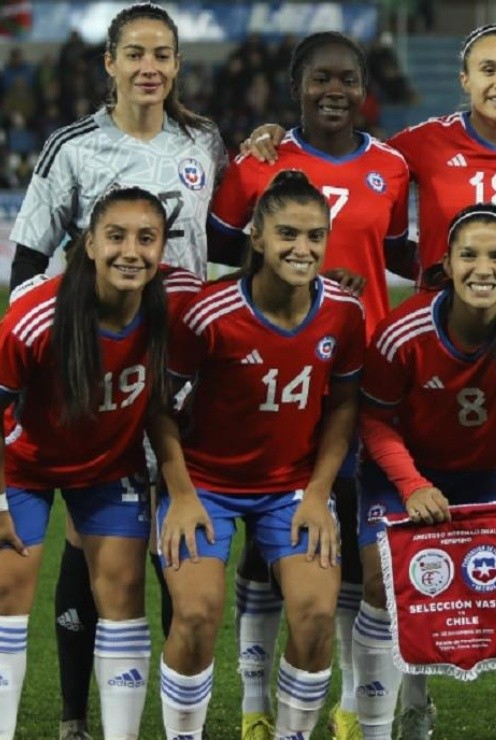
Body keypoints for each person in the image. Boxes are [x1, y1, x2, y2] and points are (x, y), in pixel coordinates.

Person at [3, 5, 226, 737]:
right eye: (135, 54)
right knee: (88, 541)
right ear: (110, 62)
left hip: (176, 368)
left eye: (163, 54)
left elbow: (219, 241)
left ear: (177, 64)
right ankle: (73, 714)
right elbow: (32, 258)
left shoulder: (203, 142)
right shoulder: (74, 147)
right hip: (93, 371)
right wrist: (55, 359)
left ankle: (161, 721)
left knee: (161, 546)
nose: (149, 67)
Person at [207, 31, 409, 739]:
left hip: (366, 378)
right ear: (296, 86)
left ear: (364, 86)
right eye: (320, 78)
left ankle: (352, 704)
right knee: (270, 549)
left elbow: (399, 255)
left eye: (347, 79)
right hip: (278, 377)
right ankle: (255, 703)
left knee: (352, 544)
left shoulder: (392, 167)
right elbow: (220, 253)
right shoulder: (260, 161)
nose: (335, 91)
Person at [153, 171, 364, 740]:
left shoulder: (344, 312)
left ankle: (292, 733)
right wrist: (179, 495)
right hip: (204, 483)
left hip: (291, 485)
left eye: (316, 236)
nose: (303, 249)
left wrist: (319, 495)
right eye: (288, 234)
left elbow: (344, 406)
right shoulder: (207, 313)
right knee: (195, 616)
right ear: (257, 237)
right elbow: (159, 408)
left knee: (317, 615)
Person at [354, 203, 496, 740]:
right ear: (445, 265)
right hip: (407, 470)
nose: (483, 268)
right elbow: (374, 422)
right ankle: (397, 717)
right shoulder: (402, 333)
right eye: (468, 254)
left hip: (495, 472)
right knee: (383, 584)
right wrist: (413, 484)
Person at [0, 186, 200, 740]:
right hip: (23, 469)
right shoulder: (36, 318)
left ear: (163, 248)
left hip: (109, 469)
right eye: (115, 237)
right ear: (89, 245)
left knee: (123, 599)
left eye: (146, 238)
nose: (130, 251)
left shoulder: (172, 307)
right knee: (8, 598)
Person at [244, 23, 496, 290]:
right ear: (465, 80)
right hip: (438, 321)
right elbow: (353, 159)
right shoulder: (424, 141)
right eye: (488, 70)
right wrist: (279, 133)